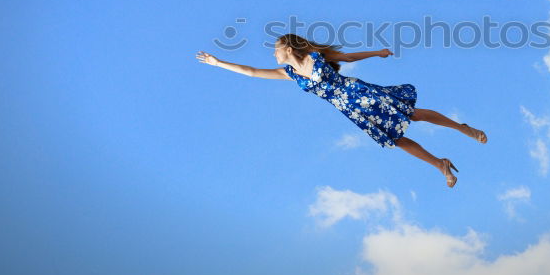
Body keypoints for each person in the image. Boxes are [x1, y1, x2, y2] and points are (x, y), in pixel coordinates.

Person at [195, 33, 487, 188]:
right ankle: (440, 165)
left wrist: (378, 52)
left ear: (287, 47)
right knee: (395, 140)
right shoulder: (288, 73)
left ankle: (462, 128)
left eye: (276, 48)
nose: (273, 53)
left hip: (359, 92)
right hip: (348, 108)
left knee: (412, 114)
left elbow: (347, 56)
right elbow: (252, 72)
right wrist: (218, 63)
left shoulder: (316, 56)